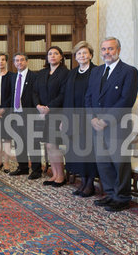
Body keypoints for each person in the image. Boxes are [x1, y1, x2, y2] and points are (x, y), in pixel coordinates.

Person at [85, 37, 138, 212]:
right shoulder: (96, 71)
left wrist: (105, 120)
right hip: (96, 126)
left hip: (117, 126)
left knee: (119, 162)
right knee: (103, 162)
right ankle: (109, 194)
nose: (107, 52)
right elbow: (89, 97)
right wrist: (92, 118)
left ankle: (122, 197)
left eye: (111, 49)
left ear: (118, 50)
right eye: (104, 49)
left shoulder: (129, 71)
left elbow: (126, 100)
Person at [61, 41, 98, 197]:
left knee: (88, 151)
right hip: (73, 117)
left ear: (90, 54)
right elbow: (66, 96)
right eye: (79, 53)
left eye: (85, 53)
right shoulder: (72, 73)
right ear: (75, 57)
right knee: (76, 151)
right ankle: (83, 182)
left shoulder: (97, 71)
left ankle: (90, 184)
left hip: (89, 118)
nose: (82, 56)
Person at [33, 46, 69, 187]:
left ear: (61, 57)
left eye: (56, 53)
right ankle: (54, 175)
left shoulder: (65, 73)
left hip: (57, 113)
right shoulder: (41, 73)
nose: (52, 56)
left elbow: (63, 94)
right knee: (48, 145)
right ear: (47, 57)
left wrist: (49, 108)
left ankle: (61, 176)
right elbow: (34, 92)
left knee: (53, 145)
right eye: (50, 54)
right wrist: (38, 106)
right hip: (43, 114)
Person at [8, 53, 42, 179]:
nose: (19, 63)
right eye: (16, 60)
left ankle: (36, 170)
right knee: (19, 142)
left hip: (30, 113)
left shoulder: (34, 76)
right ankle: (22, 167)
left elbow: (36, 94)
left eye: (22, 60)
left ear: (26, 62)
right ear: (14, 63)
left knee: (33, 142)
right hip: (16, 113)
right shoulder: (13, 77)